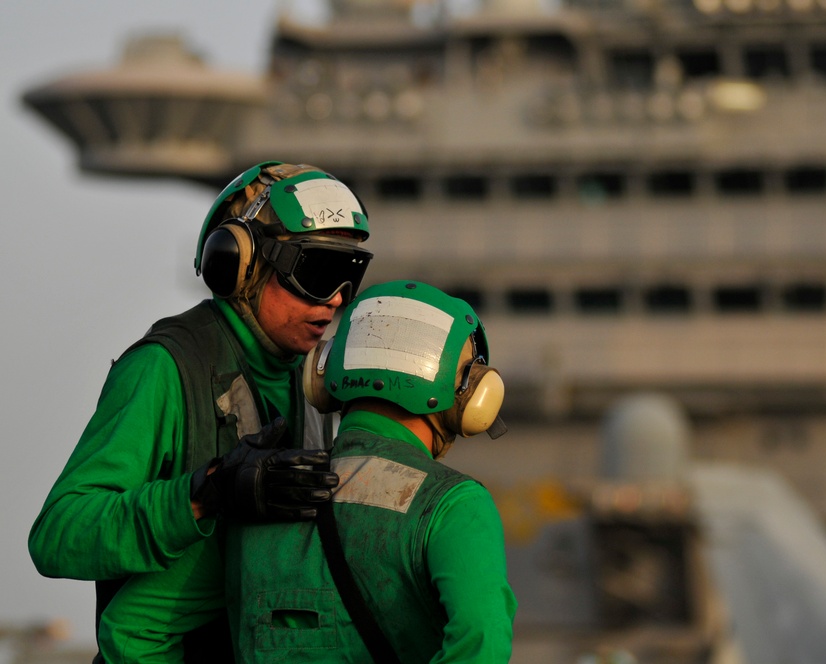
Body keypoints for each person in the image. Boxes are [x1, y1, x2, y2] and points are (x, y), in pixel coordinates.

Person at [28, 161, 373, 662]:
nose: (337, 299)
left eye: (349, 275)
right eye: (318, 272)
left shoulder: (311, 382)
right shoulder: (164, 368)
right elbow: (58, 534)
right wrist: (205, 494)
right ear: (241, 263)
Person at [226, 280, 518, 662]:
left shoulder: (257, 495)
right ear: (467, 395)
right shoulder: (455, 507)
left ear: (326, 371)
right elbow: (483, 644)